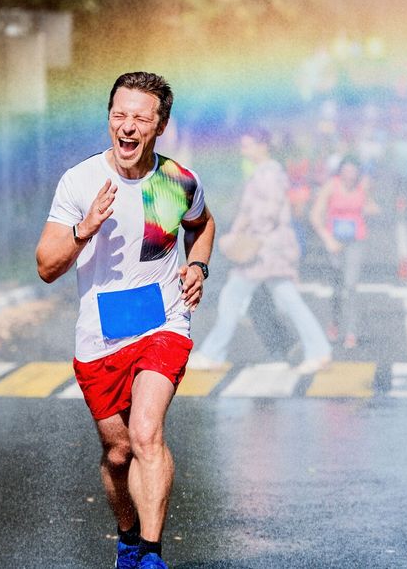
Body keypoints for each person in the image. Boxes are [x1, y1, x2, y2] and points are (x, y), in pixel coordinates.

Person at [35, 71, 215, 569]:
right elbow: (47, 267)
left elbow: (203, 224)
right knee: (118, 454)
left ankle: (152, 556)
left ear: (160, 125)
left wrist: (197, 265)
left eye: (141, 117)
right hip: (100, 334)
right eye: (120, 115)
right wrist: (84, 227)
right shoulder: (80, 181)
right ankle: (128, 537)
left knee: (145, 434)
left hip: (164, 323)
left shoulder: (179, 180)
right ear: (109, 120)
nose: (128, 126)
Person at [187, 126, 333, 374]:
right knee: (286, 299)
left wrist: (246, 232)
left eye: (247, 144)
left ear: (262, 146)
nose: (244, 149)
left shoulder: (269, 174)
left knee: (234, 297)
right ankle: (318, 350)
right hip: (267, 249)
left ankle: (212, 353)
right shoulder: (263, 173)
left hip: (264, 250)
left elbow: (269, 211)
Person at [309, 156, 379, 349]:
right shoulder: (331, 186)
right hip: (335, 242)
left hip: (356, 241)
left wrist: (370, 207)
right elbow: (315, 215)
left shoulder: (363, 187)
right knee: (337, 287)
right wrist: (327, 238)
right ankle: (334, 321)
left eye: (354, 171)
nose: (350, 175)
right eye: (346, 171)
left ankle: (351, 331)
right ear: (340, 171)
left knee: (351, 285)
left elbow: (372, 206)